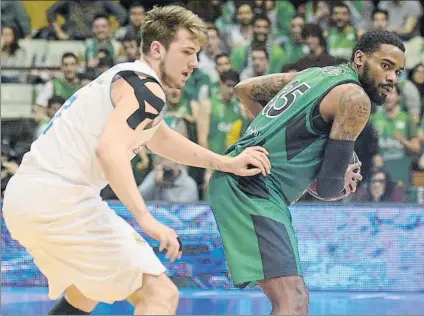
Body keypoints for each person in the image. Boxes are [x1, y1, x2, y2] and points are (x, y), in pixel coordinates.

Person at [2, 5, 271, 316]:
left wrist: (225, 162)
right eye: (186, 51)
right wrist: (146, 219)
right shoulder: (147, 90)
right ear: (157, 49)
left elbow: (160, 139)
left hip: (27, 197)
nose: (194, 63)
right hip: (60, 200)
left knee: (85, 292)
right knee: (161, 296)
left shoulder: (126, 77)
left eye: (197, 53)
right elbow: (110, 151)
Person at [208, 29, 405, 315]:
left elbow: (245, 89)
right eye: (385, 66)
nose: (392, 79)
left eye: (398, 71)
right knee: (293, 300)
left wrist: (268, 135)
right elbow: (327, 187)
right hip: (250, 188)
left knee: (293, 299)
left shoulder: (313, 75)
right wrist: (337, 179)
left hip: (248, 183)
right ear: (360, 58)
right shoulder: (355, 98)